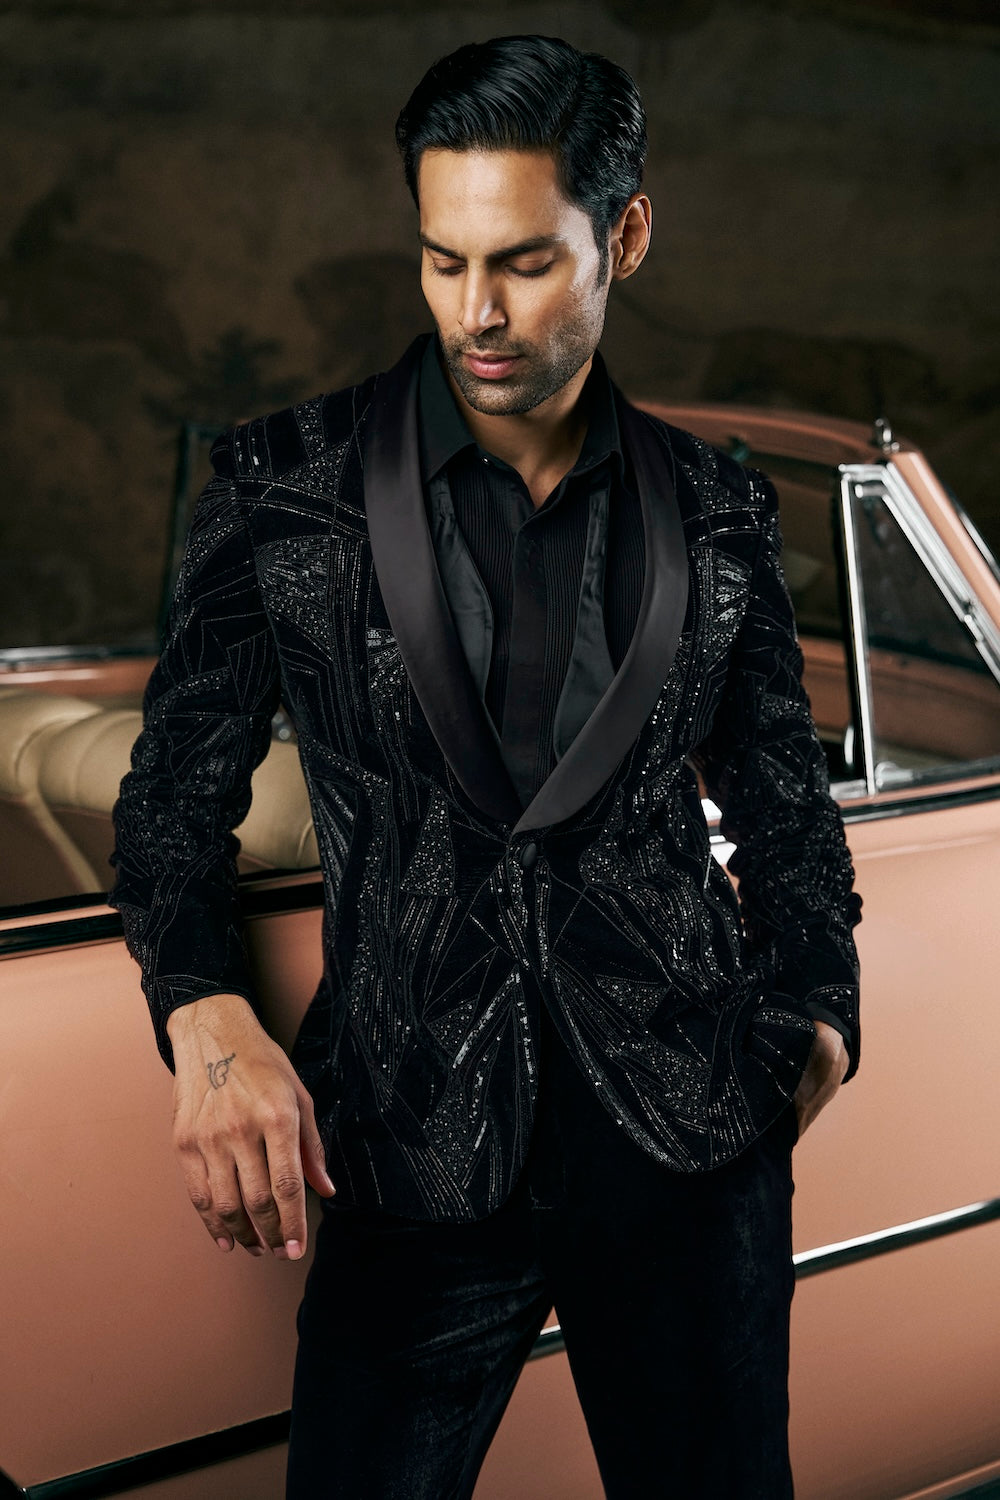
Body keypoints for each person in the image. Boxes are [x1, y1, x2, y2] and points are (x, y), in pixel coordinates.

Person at [112, 34, 861, 1499]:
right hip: (404, 1141)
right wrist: (205, 1016)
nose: (477, 314)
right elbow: (172, 800)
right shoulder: (286, 491)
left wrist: (815, 1018)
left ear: (625, 236)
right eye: (443, 261)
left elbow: (784, 798)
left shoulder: (720, 510)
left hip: (690, 1137)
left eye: (522, 263)